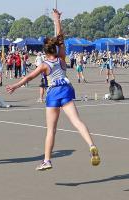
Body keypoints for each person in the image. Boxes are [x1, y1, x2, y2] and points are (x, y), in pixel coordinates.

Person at [6, 9, 100, 171]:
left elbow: (29, 78)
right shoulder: (62, 57)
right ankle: (91, 145)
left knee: (51, 130)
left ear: (44, 51)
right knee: (77, 121)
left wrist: (15, 86)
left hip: (53, 94)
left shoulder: (44, 65)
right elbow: (60, 38)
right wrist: (57, 20)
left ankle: (47, 160)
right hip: (66, 90)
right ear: (55, 49)